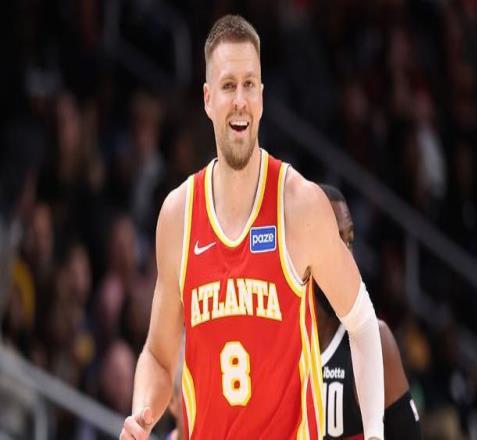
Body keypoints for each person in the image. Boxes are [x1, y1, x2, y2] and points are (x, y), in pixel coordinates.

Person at [120, 15, 384, 440]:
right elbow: (158, 355)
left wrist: (374, 434)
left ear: (262, 96)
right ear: (208, 99)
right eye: (228, 86)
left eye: (249, 85)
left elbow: (363, 322)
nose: (240, 100)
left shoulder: (299, 204)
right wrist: (143, 416)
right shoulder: (177, 215)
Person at [316, 184, 421, 439]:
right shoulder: (279, 344)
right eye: (334, 240)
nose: (348, 258)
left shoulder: (375, 340)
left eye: (350, 241)